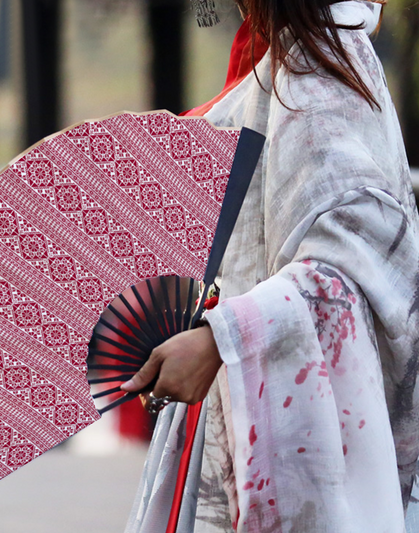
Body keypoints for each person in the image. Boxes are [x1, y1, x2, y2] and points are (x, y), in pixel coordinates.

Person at [121, 0, 419, 531]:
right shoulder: (296, 62)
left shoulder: (319, 72)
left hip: (279, 408)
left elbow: (351, 266)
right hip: (239, 396)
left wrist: (220, 338)